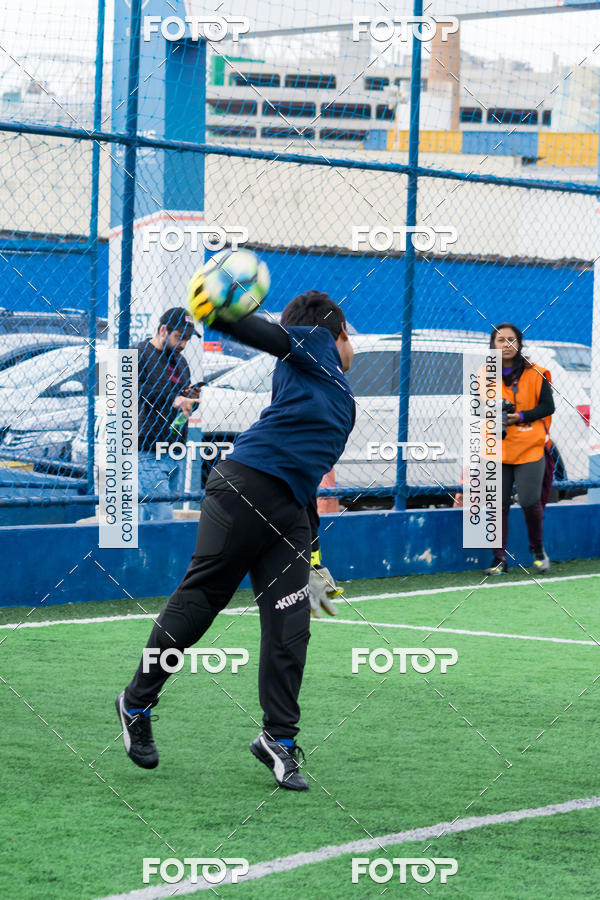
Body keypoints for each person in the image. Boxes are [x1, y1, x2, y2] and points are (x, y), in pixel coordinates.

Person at [116, 290, 355, 791]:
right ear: (332, 334)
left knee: (293, 626)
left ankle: (279, 741)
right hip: (245, 486)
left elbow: (305, 481)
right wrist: (221, 311)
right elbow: (266, 334)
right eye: (348, 333)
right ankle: (136, 702)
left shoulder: (332, 387)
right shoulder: (314, 345)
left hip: (289, 510)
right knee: (201, 602)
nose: (351, 343)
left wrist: (316, 572)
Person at [484, 322, 555, 576]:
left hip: (530, 446)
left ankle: (537, 551)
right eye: (501, 340)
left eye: (511, 340)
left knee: (528, 500)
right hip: (496, 447)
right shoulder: (482, 375)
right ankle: (499, 559)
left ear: (520, 343)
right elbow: (474, 410)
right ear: (493, 344)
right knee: (497, 503)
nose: (506, 345)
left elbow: (548, 407)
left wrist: (521, 416)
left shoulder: (537, 373)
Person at [136, 307, 199, 521]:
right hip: (147, 449)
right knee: (164, 517)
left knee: (148, 517)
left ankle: (145, 556)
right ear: (163, 330)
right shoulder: (137, 354)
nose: (182, 345)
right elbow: (132, 391)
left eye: (187, 340)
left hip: (175, 449)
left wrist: (188, 397)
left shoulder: (181, 363)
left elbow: (179, 401)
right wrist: (172, 398)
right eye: (179, 337)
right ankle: (156, 554)